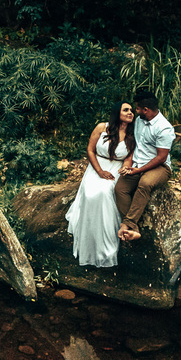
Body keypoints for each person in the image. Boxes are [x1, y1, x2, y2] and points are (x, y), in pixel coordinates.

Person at [65, 103, 136, 267]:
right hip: (97, 166)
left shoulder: (133, 134)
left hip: (116, 169)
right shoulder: (102, 127)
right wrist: (99, 172)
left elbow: (128, 158)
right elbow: (90, 150)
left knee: (105, 192)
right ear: (117, 112)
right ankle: (88, 234)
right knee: (91, 194)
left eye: (132, 110)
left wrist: (125, 169)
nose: (130, 112)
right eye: (126, 110)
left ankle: (105, 244)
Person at [114, 92, 175, 241]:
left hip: (160, 167)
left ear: (146, 109)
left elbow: (161, 157)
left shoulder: (164, 128)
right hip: (137, 164)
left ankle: (126, 224)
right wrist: (128, 163)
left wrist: (139, 170)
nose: (135, 111)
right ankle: (134, 230)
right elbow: (135, 145)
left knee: (145, 183)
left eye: (138, 109)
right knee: (120, 188)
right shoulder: (140, 121)